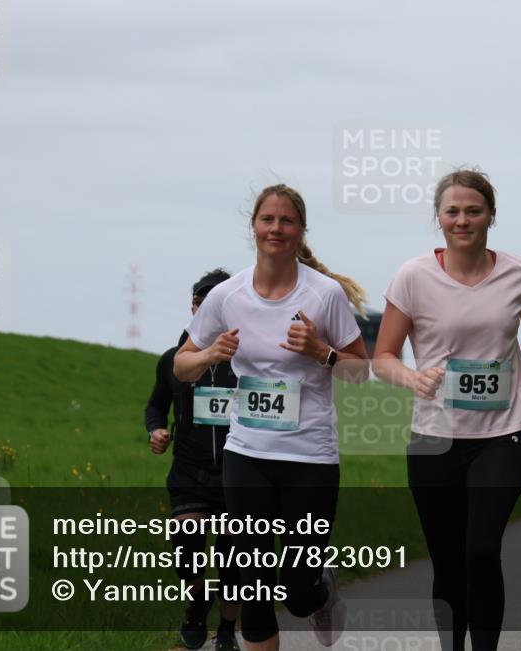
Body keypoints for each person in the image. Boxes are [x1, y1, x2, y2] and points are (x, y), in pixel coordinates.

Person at [372, 169, 521, 651]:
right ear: (438, 218)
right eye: (452, 211)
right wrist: (413, 377)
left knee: (481, 550)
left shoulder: (519, 273)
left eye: (473, 211)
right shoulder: (413, 276)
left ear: (491, 216)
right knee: (449, 561)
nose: (463, 220)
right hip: (435, 436)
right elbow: (383, 357)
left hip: (504, 433)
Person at [174, 184, 370, 650]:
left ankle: (319, 590)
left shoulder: (324, 295)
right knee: (252, 582)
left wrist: (322, 352)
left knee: (298, 591)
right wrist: (209, 356)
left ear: (300, 230)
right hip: (248, 455)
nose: (275, 229)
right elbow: (181, 364)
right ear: (254, 226)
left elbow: (360, 373)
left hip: (310, 458)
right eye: (267, 220)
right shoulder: (227, 295)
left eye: (286, 221)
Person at [147, 269, 241, 650]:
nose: (211, 308)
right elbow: (156, 405)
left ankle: (229, 631)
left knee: (234, 558)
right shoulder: (174, 360)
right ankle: (198, 601)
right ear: (194, 307)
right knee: (186, 544)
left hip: (239, 471)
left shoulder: (250, 361)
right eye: (204, 301)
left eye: (220, 301)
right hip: (190, 470)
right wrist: (155, 430)